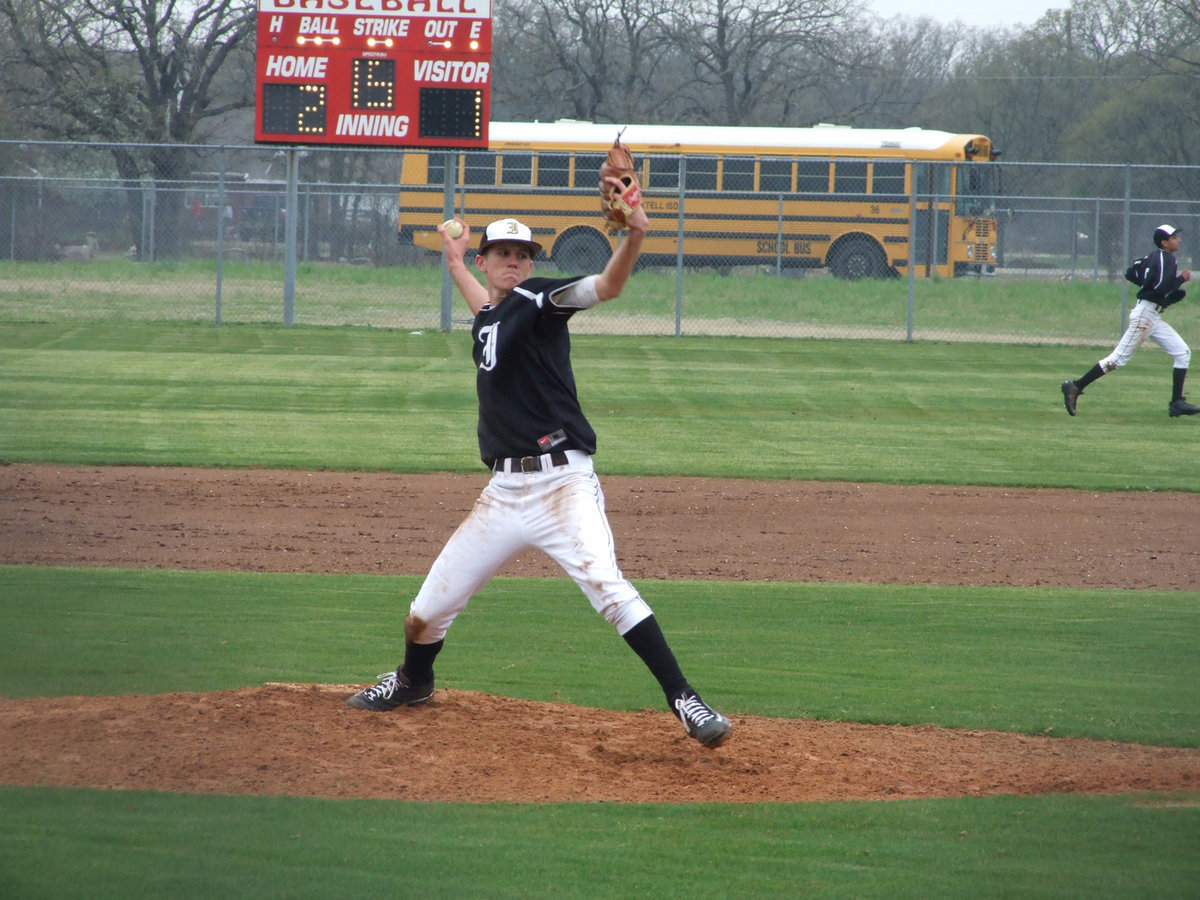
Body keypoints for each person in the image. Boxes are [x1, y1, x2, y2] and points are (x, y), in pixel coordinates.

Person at [346, 205, 732, 748]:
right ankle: (414, 681)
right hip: (503, 494)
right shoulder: (491, 315)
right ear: (486, 260)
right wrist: (454, 261)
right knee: (426, 613)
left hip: (562, 486)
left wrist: (637, 232)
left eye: (523, 255)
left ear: (531, 265)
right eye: (503, 253)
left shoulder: (541, 301)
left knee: (608, 587)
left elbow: (607, 285)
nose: (514, 262)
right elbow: (484, 306)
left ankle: (685, 701)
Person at [1062, 224, 1196, 418]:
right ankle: (1074, 387)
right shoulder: (1167, 259)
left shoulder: (1152, 257)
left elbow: (1132, 272)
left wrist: (1157, 292)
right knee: (1117, 360)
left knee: (1183, 352)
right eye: (1174, 237)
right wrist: (1179, 280)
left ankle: (1176, 403)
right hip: (1145, 316)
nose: (1179, 240)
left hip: (1152, 315)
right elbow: (1160, 288)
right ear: (1164, 242)